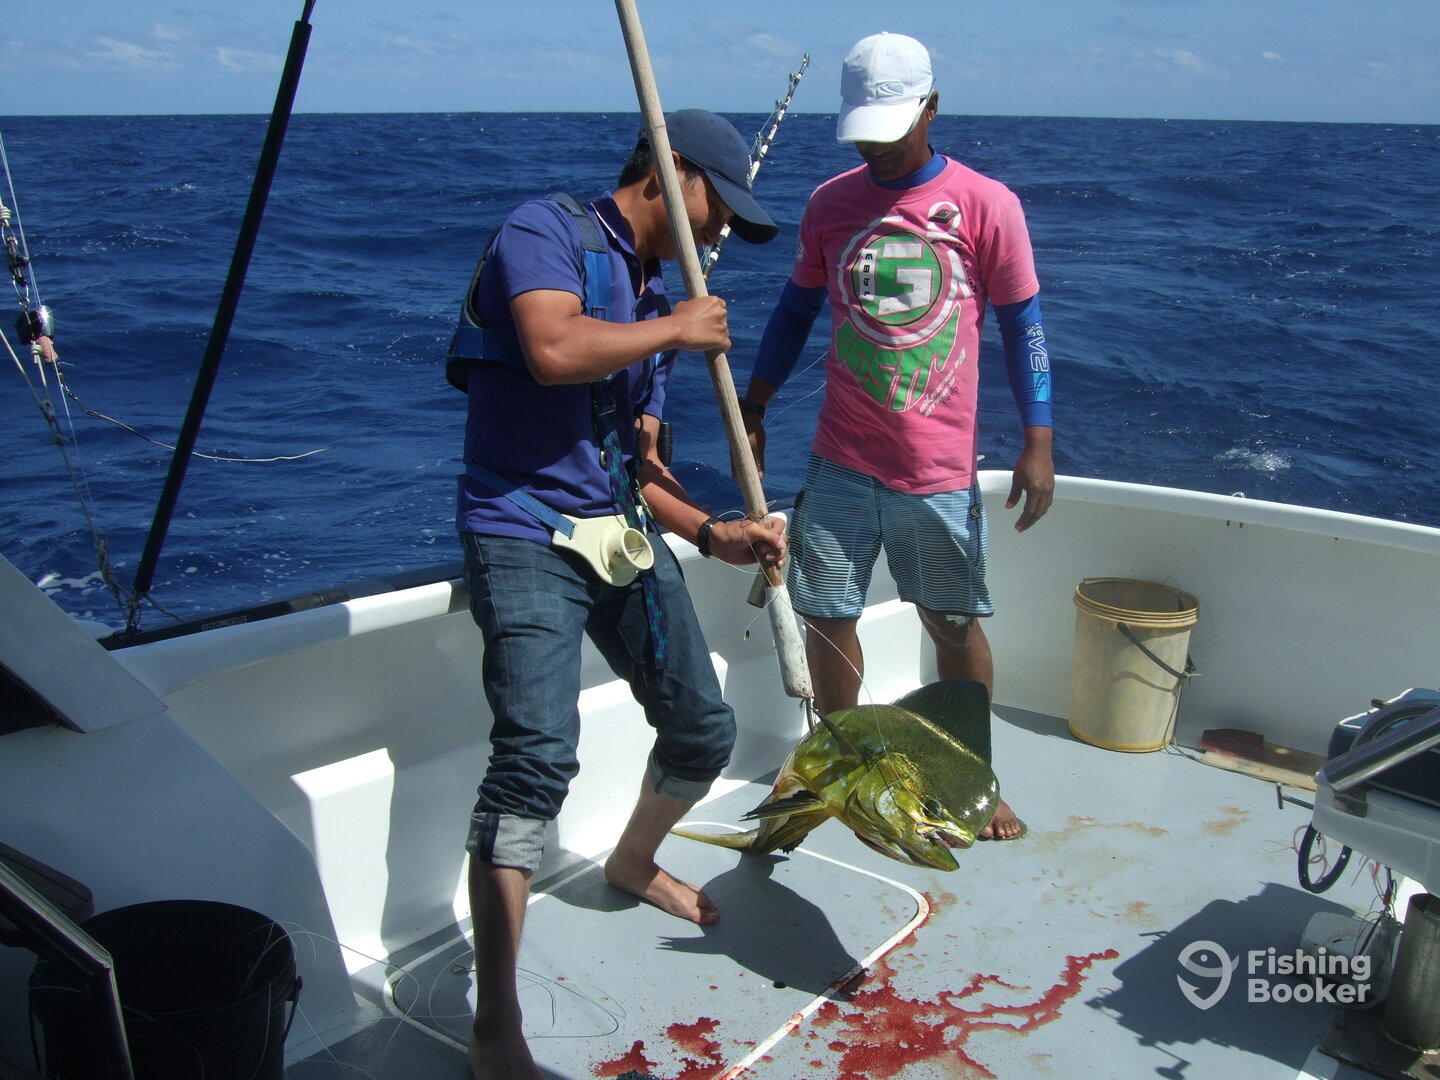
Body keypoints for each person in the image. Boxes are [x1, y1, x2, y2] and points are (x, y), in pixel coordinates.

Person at [451, 109, 786, 1080]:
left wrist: (714, 533)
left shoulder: (654, 295)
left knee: (704, 732)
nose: (721, 232)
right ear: (674, 171)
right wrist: (678, 326)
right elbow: (553, 349)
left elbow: (638, 464)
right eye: (721, 208)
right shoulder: (543, 230)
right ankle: (495, 1022)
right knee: (534, 762)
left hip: (618, 529)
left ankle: (633, 861)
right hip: (522, 528)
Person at [740, 32, 1054, 841]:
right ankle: (840, 767)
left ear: (932, 108)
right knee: (826, 616)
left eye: (891, 129)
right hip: (840, 460)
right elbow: (794, 310)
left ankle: (973, 777)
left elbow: (1023, 326)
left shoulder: (988, 205)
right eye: (863, 132)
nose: (875, 148)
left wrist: (1039, 440)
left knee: (951, 624)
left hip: (936, 473)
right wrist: (755, 404)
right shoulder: (829, 203)